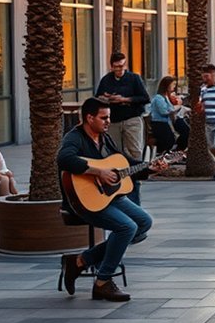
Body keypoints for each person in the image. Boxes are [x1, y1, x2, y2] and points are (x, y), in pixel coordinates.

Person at [58, 97, 165, 302]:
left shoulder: (105, 138)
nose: (108, 121)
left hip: (109, 196)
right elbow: (64, 159)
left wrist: (149, 168)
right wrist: (97, 171)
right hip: (84, 201)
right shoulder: (75, 137)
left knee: (144, 222)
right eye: (103, 118)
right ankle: (102, 282)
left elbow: (123, 164)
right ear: (89, 118)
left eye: (109, 117)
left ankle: (81, 261)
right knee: (127, 228)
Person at [95, 52, 149, 160]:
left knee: (135, 149)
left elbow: (145, 98)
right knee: (114, 151)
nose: (120, 69)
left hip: (132, 118)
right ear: (111, 67)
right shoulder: (106, 80)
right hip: (113, 120)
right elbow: (97, 98)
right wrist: (106, 99)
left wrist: (125, 99)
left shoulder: (134, 78)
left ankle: (136, 173)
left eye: (122, 66)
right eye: (116, 67)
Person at [151, 76, 189, 154]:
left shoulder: (165, 97)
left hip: (165, 121)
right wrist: (178, 106)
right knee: (168, 140)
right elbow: (164, 111)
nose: (174, 87)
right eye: (173, 85)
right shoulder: (159, 98)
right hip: (159, 122)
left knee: (170, 139)